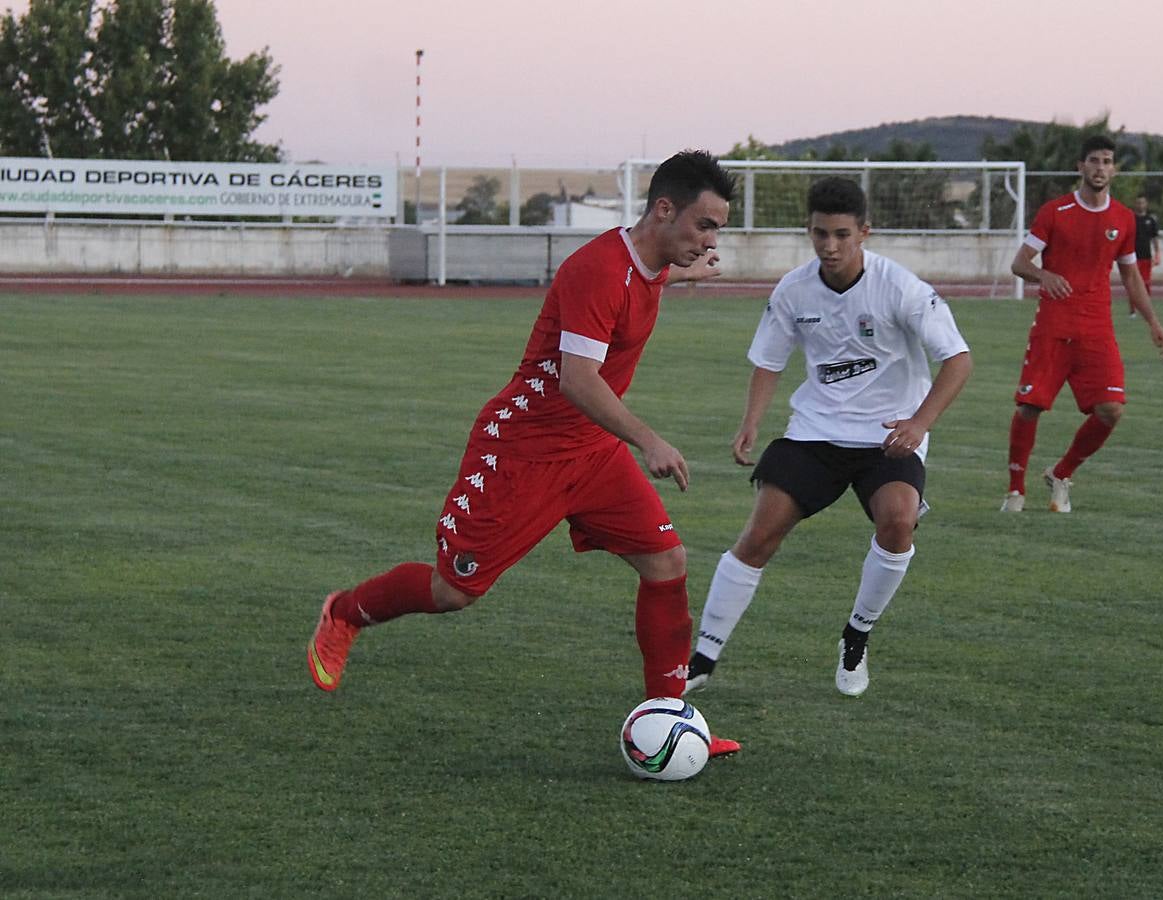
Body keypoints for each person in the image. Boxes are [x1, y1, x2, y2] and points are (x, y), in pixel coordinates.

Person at [306, 150, 742, 757]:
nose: (711, 239)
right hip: (522, 453)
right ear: (664, 210)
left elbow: (647, 279)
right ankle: (347, 612)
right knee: (454, 591)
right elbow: (577, 379)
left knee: (667, 564)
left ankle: (668, 721)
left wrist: (689, 271)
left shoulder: (649, 261)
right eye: (706, 225)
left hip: (590, 451)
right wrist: (648, 438)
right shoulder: (598, 269)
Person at [683, 176, 972, 698]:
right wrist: (751, 421)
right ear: (809, 232)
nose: (830, 247)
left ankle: (856, 634)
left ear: (865, 231)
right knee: (758, 537)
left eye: (842, 234)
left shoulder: (901, 287)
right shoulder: (794, 289)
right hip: (816, 432)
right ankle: (702, 656)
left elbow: (958, 359)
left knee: (899, 522)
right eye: (820, 234)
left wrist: (919, 423)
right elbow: (769, 361)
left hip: (888, 434)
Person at [1001, 136, 1163, 514]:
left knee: (1111, 410)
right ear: (1080, 167)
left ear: (1113, 169)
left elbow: (1131, 278)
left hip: (1096, 329)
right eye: (1093, 160)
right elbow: (1019, 263)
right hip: (1053, 325)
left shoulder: (1123, 219)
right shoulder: (1055, 212)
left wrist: (1153, 324)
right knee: (1030, 406)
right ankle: (1015, 491)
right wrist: (1043, 276)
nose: (1100, 167)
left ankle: (1061, 473)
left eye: (1107, 161)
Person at [1129, 195, 1161, 316]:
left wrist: (1157, 253)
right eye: (1138, 203)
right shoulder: (1131, 219)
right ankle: (1133, 310)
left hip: (1146, 257)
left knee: (1146, 283)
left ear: (1146, 204)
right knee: (1133, 283)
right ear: (1135, 204)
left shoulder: (1150, 220)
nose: (1140, 205)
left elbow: (1154, 238)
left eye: (1143, 203)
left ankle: (1145, 308)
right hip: (1132, 257)